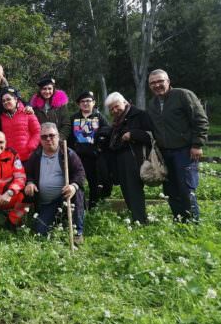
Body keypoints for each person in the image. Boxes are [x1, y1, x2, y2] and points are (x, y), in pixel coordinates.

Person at [147, 69, 209, 222]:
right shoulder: (152, 104)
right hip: (164, 153)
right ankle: (179, 220)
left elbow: (200, 120)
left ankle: (193, 223)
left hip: (185, 151)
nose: (157, 85)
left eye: (160, 81)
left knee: (186, 189)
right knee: (170, 190)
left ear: (168, 81)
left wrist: (197, 144)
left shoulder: (183, 95)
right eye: (153, 83)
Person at [24, 123, 86, 243]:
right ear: (40, 140)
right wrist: (30, 182)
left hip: (65, 198)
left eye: (51, 135)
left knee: (77, 192)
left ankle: (77, 233)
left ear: (58, 136)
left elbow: (80, 173)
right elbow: (28, 173)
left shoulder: (67, 153)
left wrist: (73, 186)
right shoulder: (36, 156)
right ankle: (60, 222)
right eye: (44, 137)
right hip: (47, 204)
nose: (48, 139)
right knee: (39, 233)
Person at [105, 92, 153, 224]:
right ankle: (136, 218)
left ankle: (141, 220)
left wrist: (133, 134)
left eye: (116, 106)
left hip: (135, 159)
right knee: (126, 191)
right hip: (121, 159)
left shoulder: (140, 115)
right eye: (111, 109)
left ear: (125, 102)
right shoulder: (117, 120)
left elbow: (151, 137)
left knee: (134, 191)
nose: (114, 110)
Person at [68, 91, 111, 209]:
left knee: (94, 184)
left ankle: (93, 208)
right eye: (83, 101)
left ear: (93, 103)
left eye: (88, 101)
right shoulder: (73, 118)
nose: (86, 103)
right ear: (79, 104)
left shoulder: (99, 116)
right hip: (77, 157)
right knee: (77, 182)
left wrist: (99, 141)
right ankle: (77, 208)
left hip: (94, 157)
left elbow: (107, 129)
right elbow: (69, 136)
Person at [0, 87, 41, 163]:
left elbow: (37, 131)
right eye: (3, 101)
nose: (6, 102)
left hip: (27, 157)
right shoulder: (1, 117)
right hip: (10, 159)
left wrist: (30, 147)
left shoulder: (27, 112)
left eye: (8, 99)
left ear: (16, 99)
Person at [29, 76, 71, 140]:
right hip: (41, 141)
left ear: (53, 89)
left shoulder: (61, 105)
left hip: (58, 141)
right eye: (44, 89)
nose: (47, 91)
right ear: (40, 90)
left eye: (49, 89)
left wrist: (59, 138)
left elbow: (66, 125)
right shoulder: (35, 107)